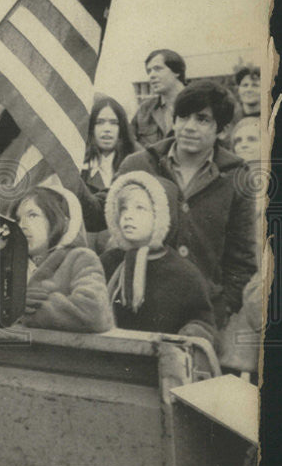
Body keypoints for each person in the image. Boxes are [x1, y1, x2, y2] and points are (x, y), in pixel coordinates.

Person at [118, 79, 256, 327]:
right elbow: (104, 215)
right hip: (137, 309)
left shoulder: (237, 178)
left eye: (202, 119)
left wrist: (219, 311)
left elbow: (241, 260)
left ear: (222, 130)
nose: (189, 127)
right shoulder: (139, 165)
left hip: (199, 317)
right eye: (183, 117)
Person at [101, 171, 216, 345]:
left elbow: (202, 321)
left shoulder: (183, 273)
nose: (128, 215)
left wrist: (192, 332)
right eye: (123, 208)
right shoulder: (107, 262)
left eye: (140, 208)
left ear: (162, 217)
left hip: (158, 364)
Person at [13, 184, 113, 333]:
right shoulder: (9, 262)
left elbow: (93, 313)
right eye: (18, 219)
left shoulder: (80, 258)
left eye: (32, 215)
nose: (22, 225)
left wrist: (24, 311)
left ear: (60, 220)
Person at [77, 95, 138, 246]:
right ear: (91, 127)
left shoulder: (136, 162)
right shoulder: (78, 165)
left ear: (122, 128)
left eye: (113, 123)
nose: (107, 129)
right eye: (100, 122)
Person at [130, 49, 186, 147]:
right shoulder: (145, 109)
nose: (151, 76)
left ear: (176, 71)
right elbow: (128, 139)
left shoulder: (201, 104)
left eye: (158, 69)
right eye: (149, 71)